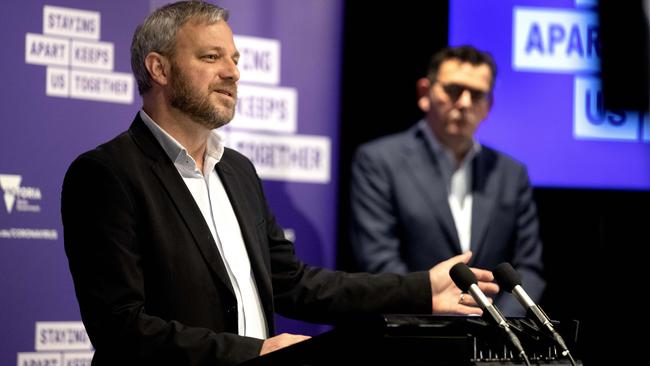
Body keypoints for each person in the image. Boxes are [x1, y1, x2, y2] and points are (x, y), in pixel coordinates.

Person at [61, 3, 498, 365]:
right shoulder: (106, 173)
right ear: (158, 68)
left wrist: (419, 290)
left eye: (235, 59)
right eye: (211, 58)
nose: (232, 73)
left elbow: (295, 284)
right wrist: (255, 352)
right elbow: (120, 327)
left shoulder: (237, 170)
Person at [349, 45, 544, 316]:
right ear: (424, 93)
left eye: (477, 94)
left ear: (488, 106)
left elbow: (528, 268)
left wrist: (499, 324)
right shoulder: (379, 161)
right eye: (453, 90)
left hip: (493, 338)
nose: (464, 103)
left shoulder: (511, 173)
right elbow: (378, 260)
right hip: (411, 334)